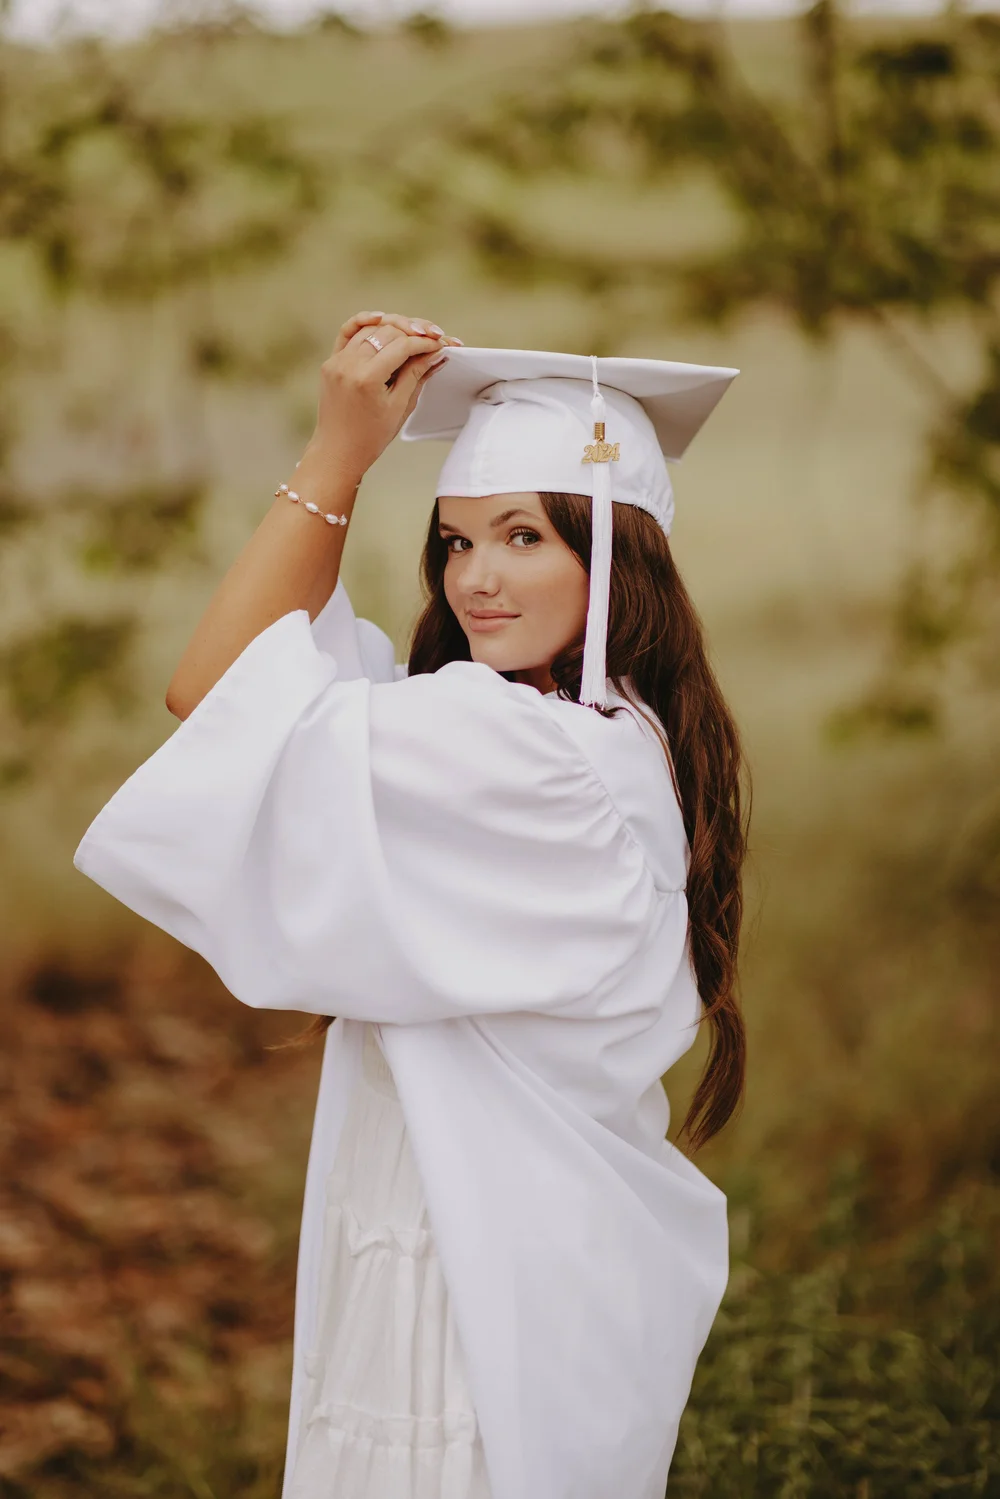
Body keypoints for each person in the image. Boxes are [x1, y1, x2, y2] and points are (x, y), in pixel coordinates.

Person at [73, 309, 748, 1499]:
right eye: (455, 541)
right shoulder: (617, 731)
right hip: (534, 1255)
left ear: (615, 552)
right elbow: (308, 684)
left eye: (525, 534)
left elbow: (217, 690)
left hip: (472, 1274)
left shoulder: (522, 755)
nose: (477, 577)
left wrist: (336, 456)